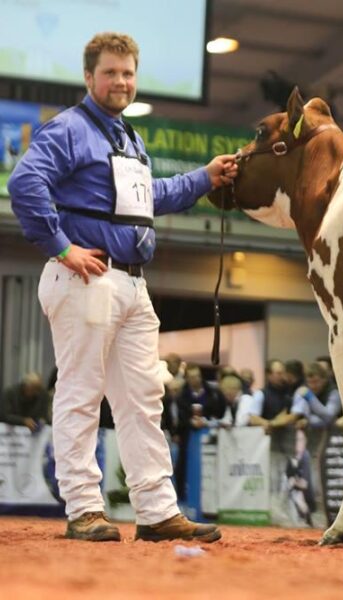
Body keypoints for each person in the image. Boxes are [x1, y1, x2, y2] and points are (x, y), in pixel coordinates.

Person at [7, 32, 237, 543]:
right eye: (110, 72)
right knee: (82, 394)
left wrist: (206, 177)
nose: (121, 81)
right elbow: (25, 183)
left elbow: (150, 197)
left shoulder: (128, 138)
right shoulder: (68, 129)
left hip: (132, 284)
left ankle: (156, 511)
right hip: (85, 275)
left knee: (143, 399)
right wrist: (62, 247)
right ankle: (84, 509)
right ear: (89, 77)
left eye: (128, 73)